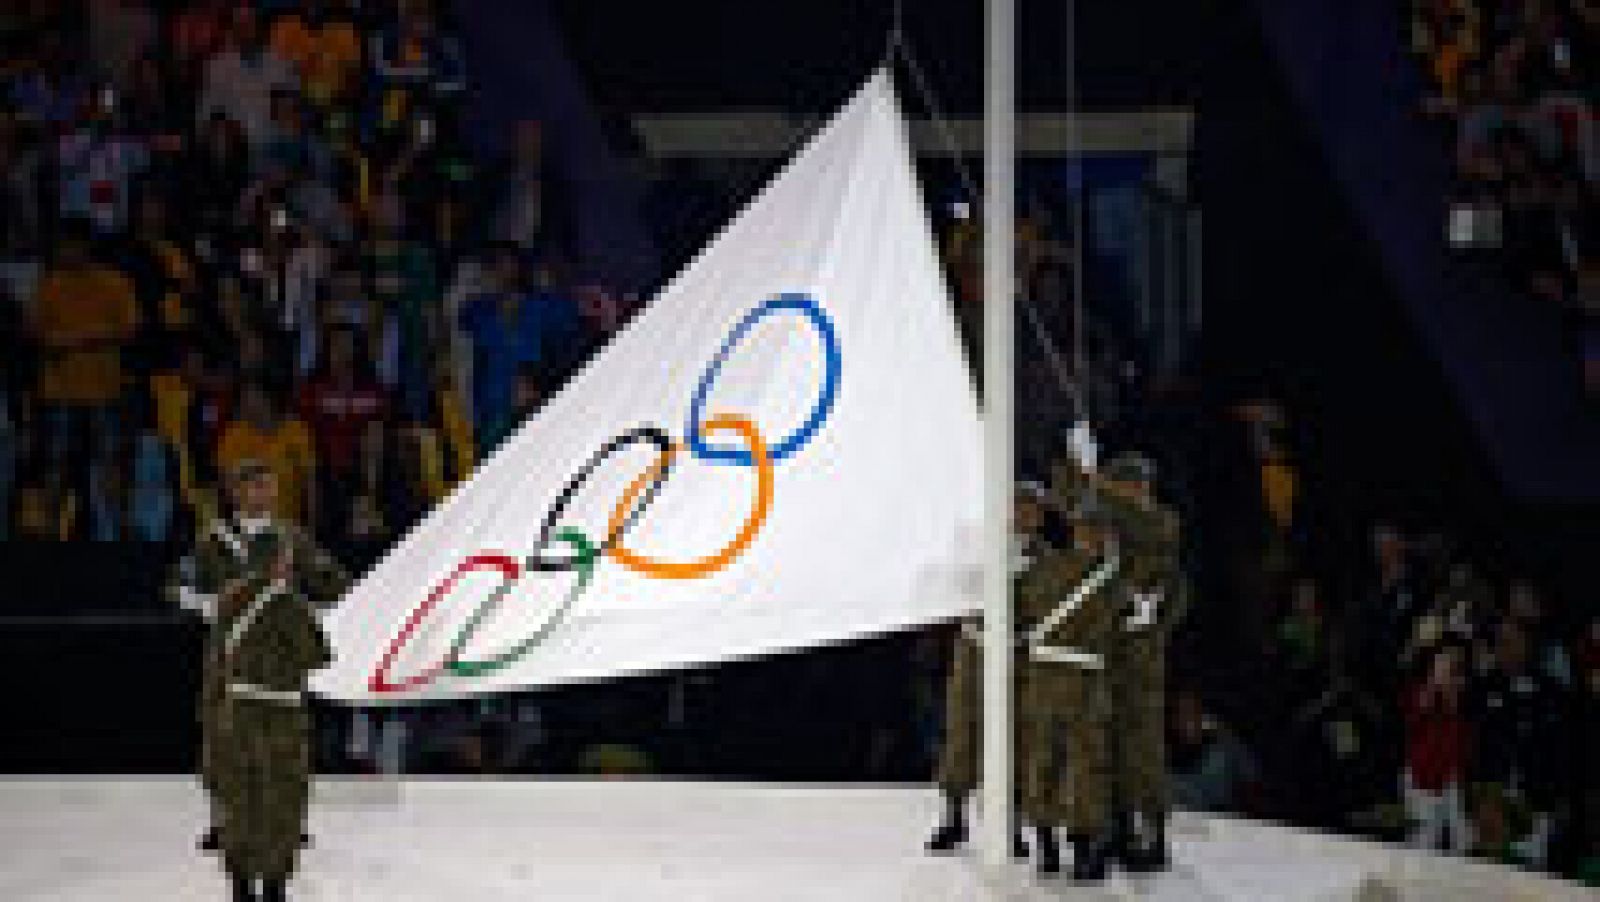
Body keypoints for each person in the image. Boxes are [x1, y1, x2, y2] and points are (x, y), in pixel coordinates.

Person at [183, 458, 350, 901]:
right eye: (252, 487)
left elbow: (333, 582)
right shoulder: (214, 542)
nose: (262, 495)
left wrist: (305, 605)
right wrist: (215, 606)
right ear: (236, 492)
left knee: (278, 759)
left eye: (268, 487)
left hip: (277, 657)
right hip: (227, 658)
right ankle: (227, 824)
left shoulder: (292, 539)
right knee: (225, 753)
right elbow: (181, 587)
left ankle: (278, 833)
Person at [1101, 452, 1186, 873]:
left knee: (1144, 746)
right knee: (1111, 739)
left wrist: (1095, 481)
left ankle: (1153, 833)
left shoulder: (1160, 522)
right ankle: (1120, 829)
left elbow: (1171, 590)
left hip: (1142, 655)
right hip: (1112, 649)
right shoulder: (1117, 530)